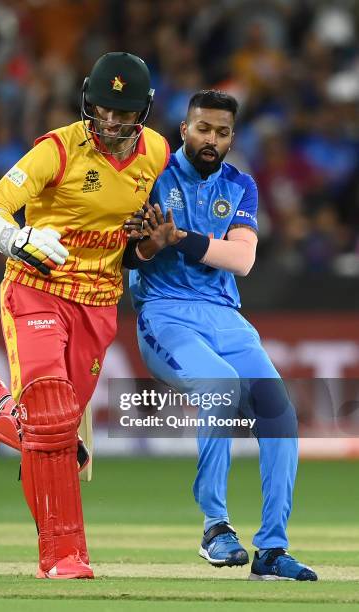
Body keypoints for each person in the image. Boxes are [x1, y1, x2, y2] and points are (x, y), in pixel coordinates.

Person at [0, 52, 170, 580]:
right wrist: (15, 237)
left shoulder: (158, 153)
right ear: (86, 102)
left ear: (143, 111)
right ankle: (62, 557)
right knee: (51, 423)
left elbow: (144, 235)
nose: (112, 124)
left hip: (100, 304)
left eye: (123, 114)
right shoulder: (56, 149)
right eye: (102, 110)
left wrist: (148, 246)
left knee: (53, 436)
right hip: (36, 291)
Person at [123, 89, 317, 581]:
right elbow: (129, 251)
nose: (212, 139)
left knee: (279, 411)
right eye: (203, 129)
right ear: (184, 129)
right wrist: (150, 242)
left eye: (222, 132)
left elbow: (243, 259)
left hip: (226, 316)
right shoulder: (151, 175)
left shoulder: (241, 185)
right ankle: (215, 527)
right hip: (165, 313)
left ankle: (271, 550)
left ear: (232, 137)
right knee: (221, 387)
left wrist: (179, 239)